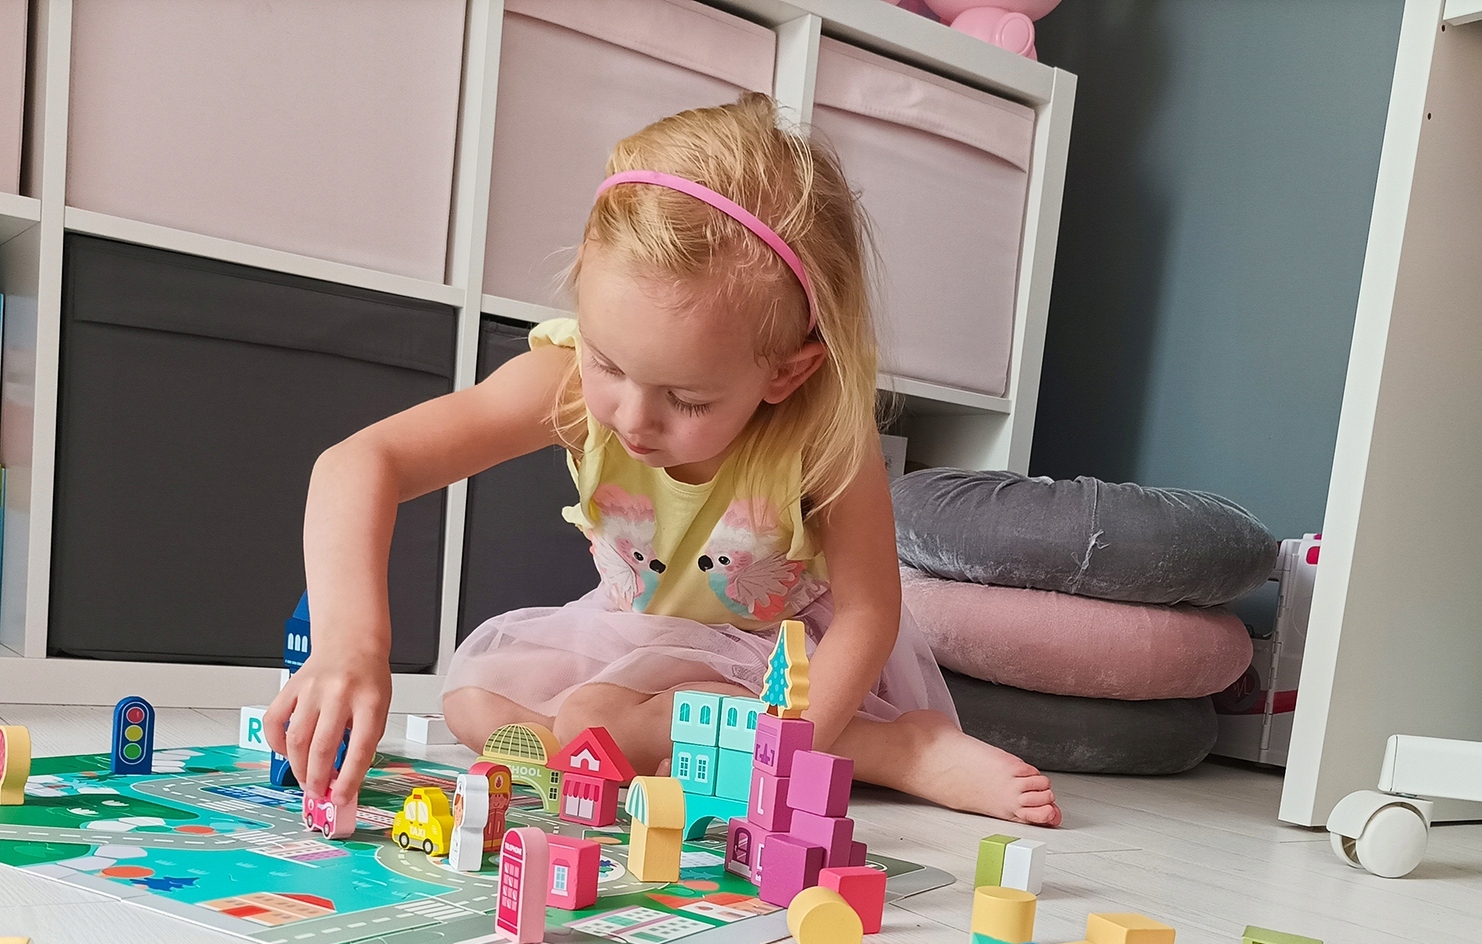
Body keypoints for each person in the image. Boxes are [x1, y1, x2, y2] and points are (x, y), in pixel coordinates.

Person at [266, 94, 1060, 828]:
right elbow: (360, 463)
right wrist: (350, 643)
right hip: (632, 635)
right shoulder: (563, 385)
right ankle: (648, 742)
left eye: (686, 399)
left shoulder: (823, 437)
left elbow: (868, 615)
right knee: (473, 702)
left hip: (780, 661)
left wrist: (789, 752)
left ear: (785, 373)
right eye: (607, 363)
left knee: (603, 720)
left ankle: (894, 748)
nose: (632, 418)